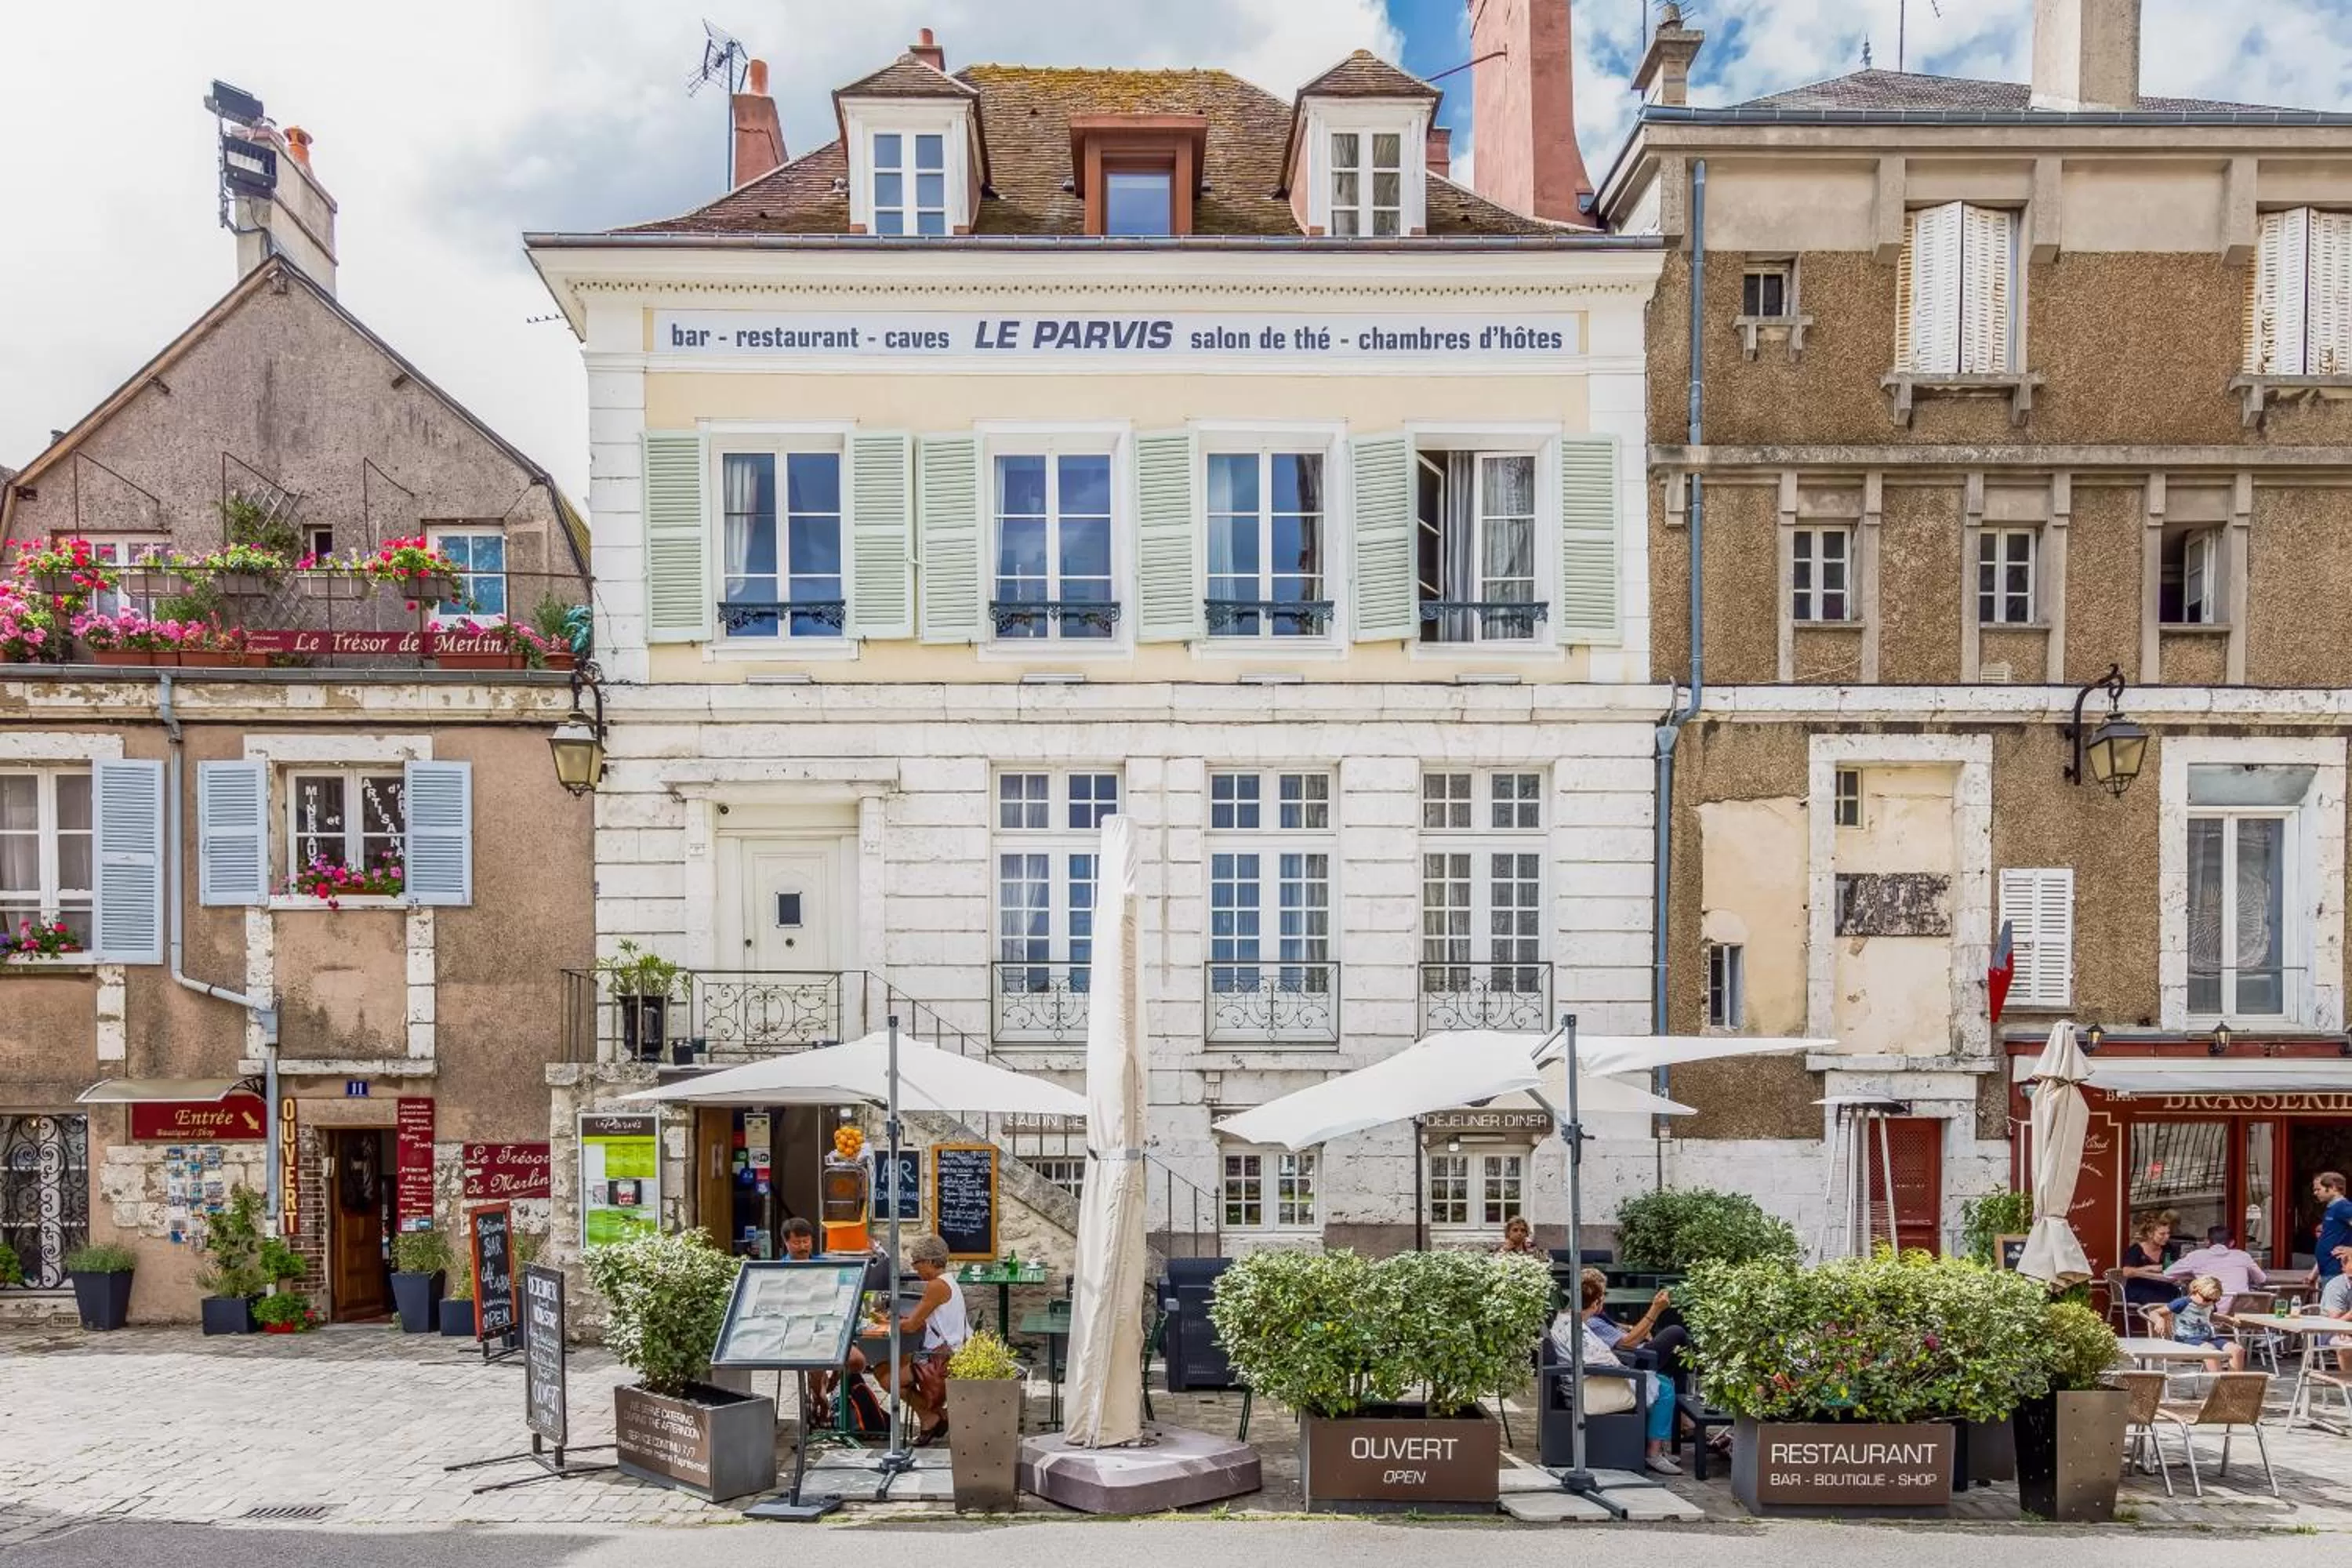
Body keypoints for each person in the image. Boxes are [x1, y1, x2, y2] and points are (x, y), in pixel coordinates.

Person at [1555, 1270, 1682, 1475]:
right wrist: (1626, 1369)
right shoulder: (1581, 1326)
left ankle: (1654, 1444)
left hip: (1586, 1383)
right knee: (1664, 1387)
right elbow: (1602, 1359)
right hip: (1593, 1390)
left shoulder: (1569, 1320)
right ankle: (1654, 1453)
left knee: (1658, 1379)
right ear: (1596, 1303)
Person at [898, 1232, 970, 1446]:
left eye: (916, 1262)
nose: (915, 1268)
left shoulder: (936, 1286)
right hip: (950, 1352)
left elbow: (911, 1326)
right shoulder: (950, 1282)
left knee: (886, 1377)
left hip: (939, 1359)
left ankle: (932, 1416)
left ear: (929, 1261)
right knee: (895, 1365)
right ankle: (938, 1416)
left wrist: (884, 1323)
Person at [1579, 1265, 1693, 1382]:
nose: (1604, 1298)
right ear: (1595, 1299)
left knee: (1676, 1352)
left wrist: (1631, 1328)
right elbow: (1627, 1344)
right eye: (1602, 1294)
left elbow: (1611, 1325)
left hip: (1634, 1351)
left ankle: (1681, 1389)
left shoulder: (1592, 1315)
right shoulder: (1590, 1320)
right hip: (1634, 1358)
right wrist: (1656, 1308)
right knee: (1676, 1332)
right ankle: (1693, 1378)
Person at [2144, 1276, 2246, 1374]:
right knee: (2211, 1351)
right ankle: (2219, 1384)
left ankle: (2233, 1384)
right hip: (2185, 1339)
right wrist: (2159, 1320)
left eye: (2215, 1300)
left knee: (2238, 1350)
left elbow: (2210, 1316)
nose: (2209, 1303)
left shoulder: (2209, 1303)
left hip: (2208, 1338)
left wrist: (2227, 1319)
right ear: (2196, 1291)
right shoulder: (2183, 1302)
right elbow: (2154, 1312)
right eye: (2206, 1299)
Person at [2165, 1225, 2269, 1312]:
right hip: (2241, 1313)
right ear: (2232, 1243)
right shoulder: (2243, 1256)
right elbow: (2262, 1279)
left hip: (2210, 1310)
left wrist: (2190, 1273)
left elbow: (2168, 1273)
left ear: (2207, 1241)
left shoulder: (2196, 1256)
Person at [2118, 1214, 2176, 1316]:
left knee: (2181, 1300)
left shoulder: (2168, 1249)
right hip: (2140, 1289)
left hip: (2164, 1288)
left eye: (2168, 1233)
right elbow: (2127, 1272)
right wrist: (2150, 1269)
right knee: (2162, 1300)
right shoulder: (2136, 1250)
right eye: (2162, 1234)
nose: (2167, 1237)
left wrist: (2141, 1272)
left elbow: (2168, 1270)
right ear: (2150, 1234)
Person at [2314, 1173, 2352, 1285]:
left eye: (2318, 1189)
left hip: (2337, 1271)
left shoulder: (2343, 1207)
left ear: (2333, 1188)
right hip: (2328, 1271)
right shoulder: (2332, 1208)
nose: (2315, 1193)